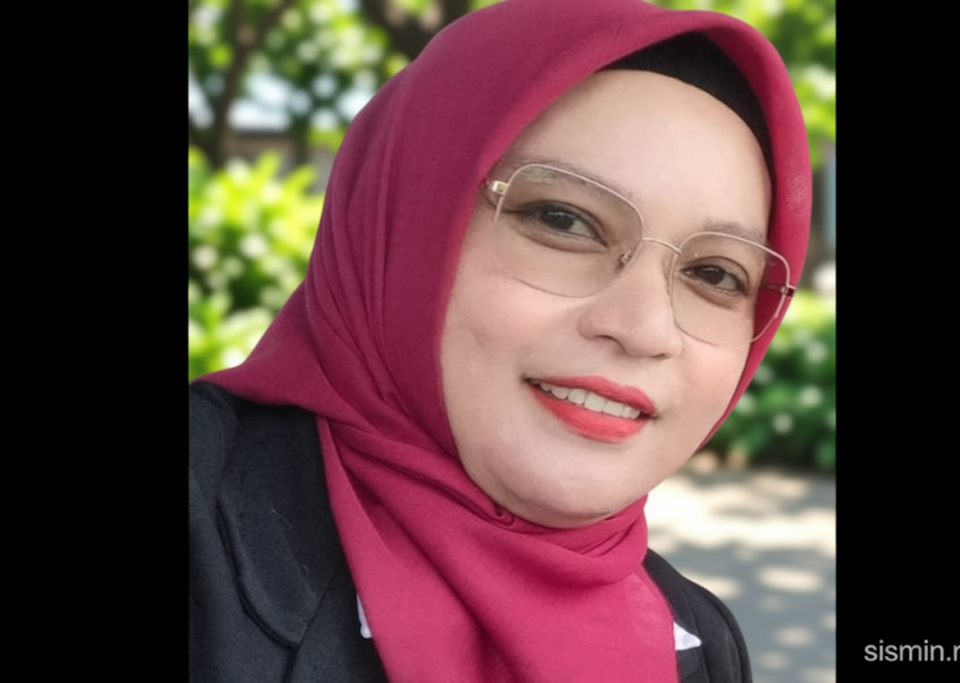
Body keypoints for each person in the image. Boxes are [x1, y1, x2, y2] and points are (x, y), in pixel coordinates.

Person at [189, 0, 810, 681]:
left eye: (715, 274)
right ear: (402, 219)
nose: (644, 329)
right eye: (564, 220)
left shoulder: (698, 638)